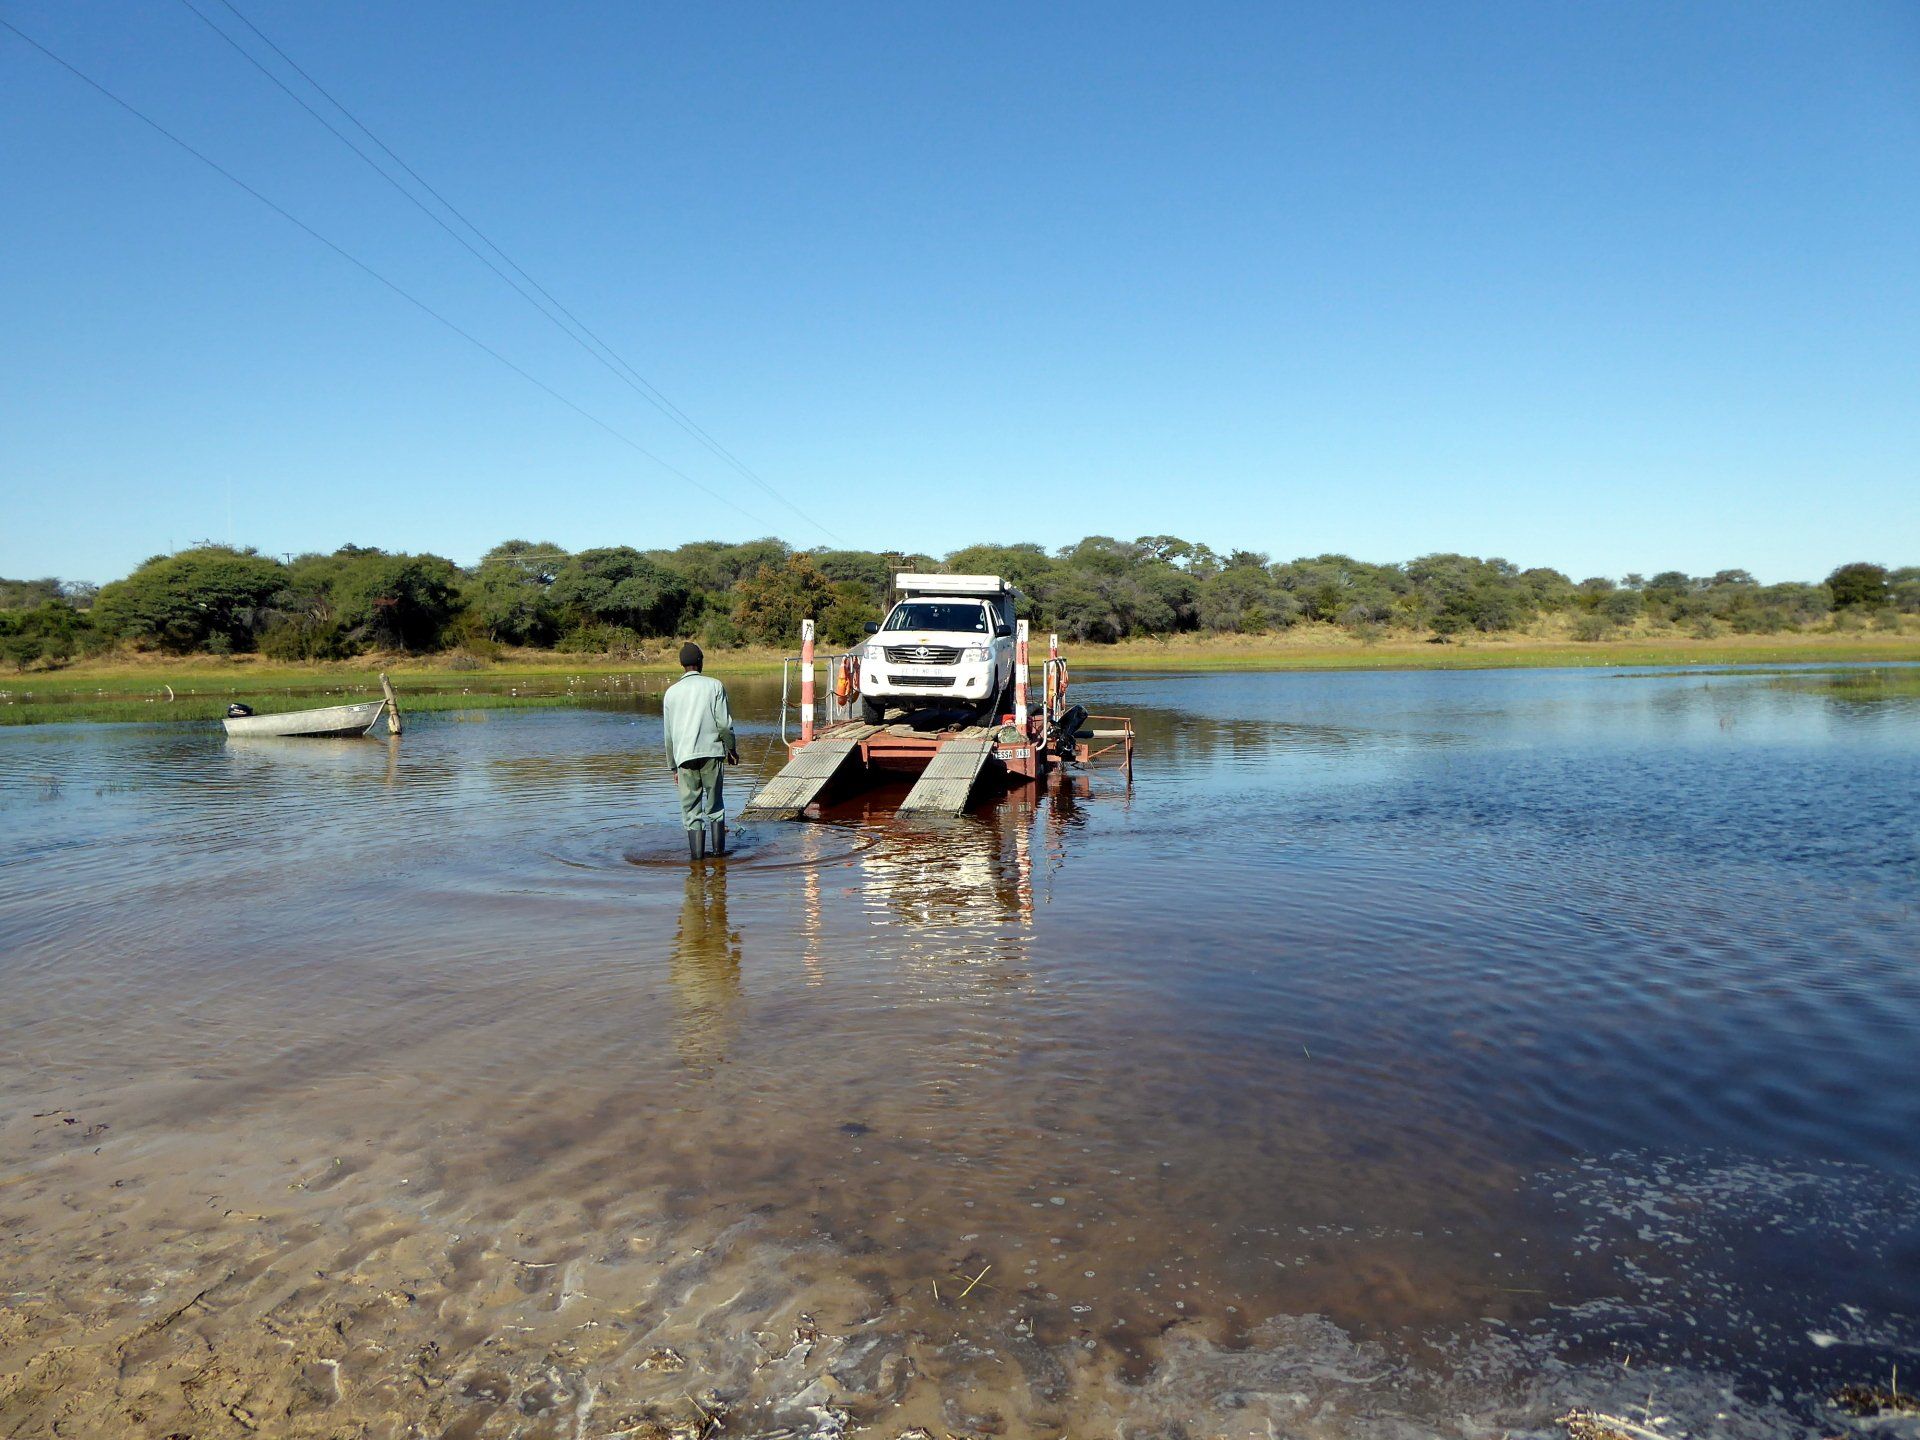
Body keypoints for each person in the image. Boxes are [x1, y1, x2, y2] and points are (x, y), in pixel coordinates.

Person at [662, 641, 738, 860]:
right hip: (712, 754)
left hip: (684, 757)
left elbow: (668, 735)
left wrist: (673, 766)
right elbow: (724, 725)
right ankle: (719, 857)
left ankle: (697, 862)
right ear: (700, 662)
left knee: (691, 813)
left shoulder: (671, 693)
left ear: (682, 664)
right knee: (715, 808)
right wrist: (731, 749)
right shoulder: (715, 686)